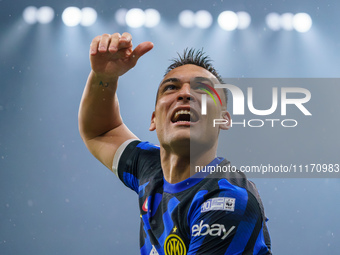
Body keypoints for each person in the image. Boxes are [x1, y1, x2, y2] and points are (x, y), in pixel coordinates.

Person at [78, 32, 272, 255]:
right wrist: (103, 77)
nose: (186, 94)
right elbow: (100, 131)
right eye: (171, 87)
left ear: (224, 120)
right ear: (153, 119)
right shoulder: (149, 168)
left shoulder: (227, 198)